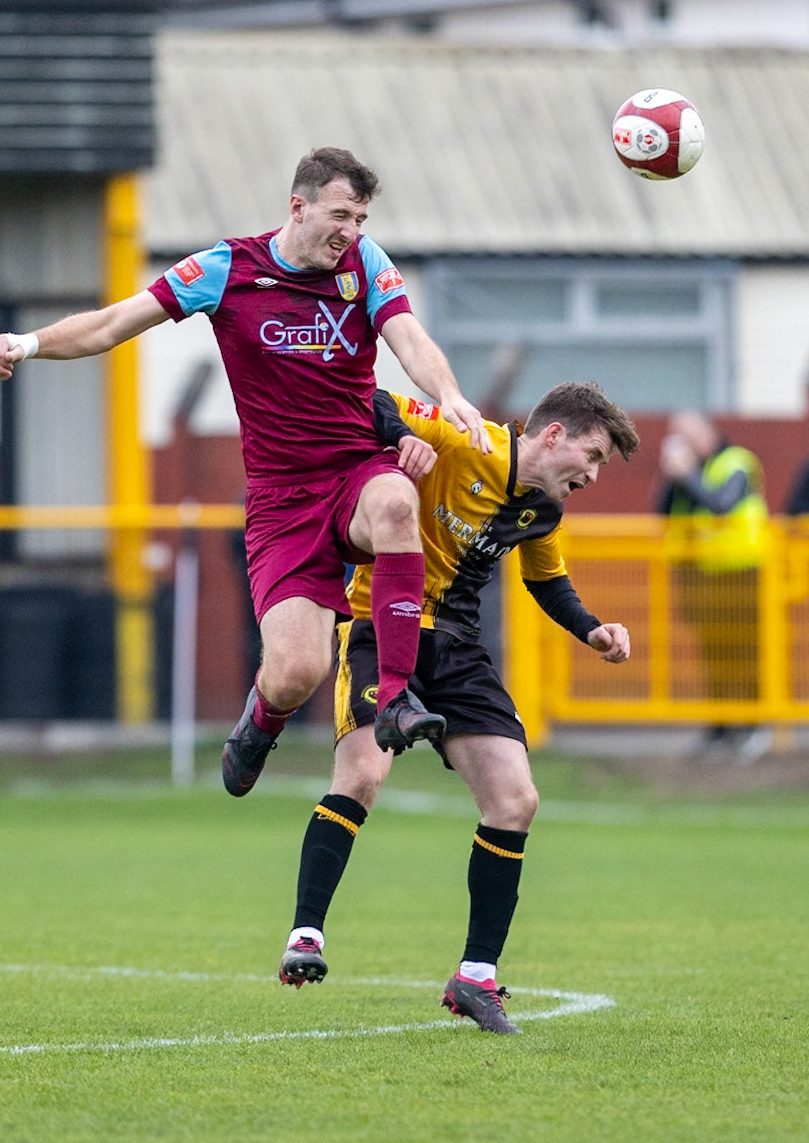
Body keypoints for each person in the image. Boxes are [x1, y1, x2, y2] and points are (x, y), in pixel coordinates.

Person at [0, 147, 490, 792]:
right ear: (297, 207)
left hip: (355, 468)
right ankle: (260, 719)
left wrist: (448, 393)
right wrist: (26, 344)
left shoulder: (366, 263)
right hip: (282, 501)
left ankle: (392, 697)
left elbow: (409, 337)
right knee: (296, 672)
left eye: (360, 218)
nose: (352, 232)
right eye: (340, 215)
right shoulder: (225, 268)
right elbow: (114, 323)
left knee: (395, 502)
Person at [277, 381, 640, 1034]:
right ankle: (305, 934)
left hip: (456, 648)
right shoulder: (464, 435)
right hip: (378, 621)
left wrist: (591, 629)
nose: (592, 473)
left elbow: (545, 580)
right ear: (552, 434)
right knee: (361, 776)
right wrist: (401, 440)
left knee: (514, 800)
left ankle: (475, 977)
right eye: (592, 455)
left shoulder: (541, 510)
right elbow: (373, 398)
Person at [656, 411, 768, 754]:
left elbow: (722, 505)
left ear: (707, 431)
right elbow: (664, 514)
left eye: (690, 434)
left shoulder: (736, 462)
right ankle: (719, 729)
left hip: (741, 573)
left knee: (744, 653)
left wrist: (687, 474)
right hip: (702, 576)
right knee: (713, 656)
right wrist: (673, 477)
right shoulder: (691, 474)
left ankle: (752, 727)